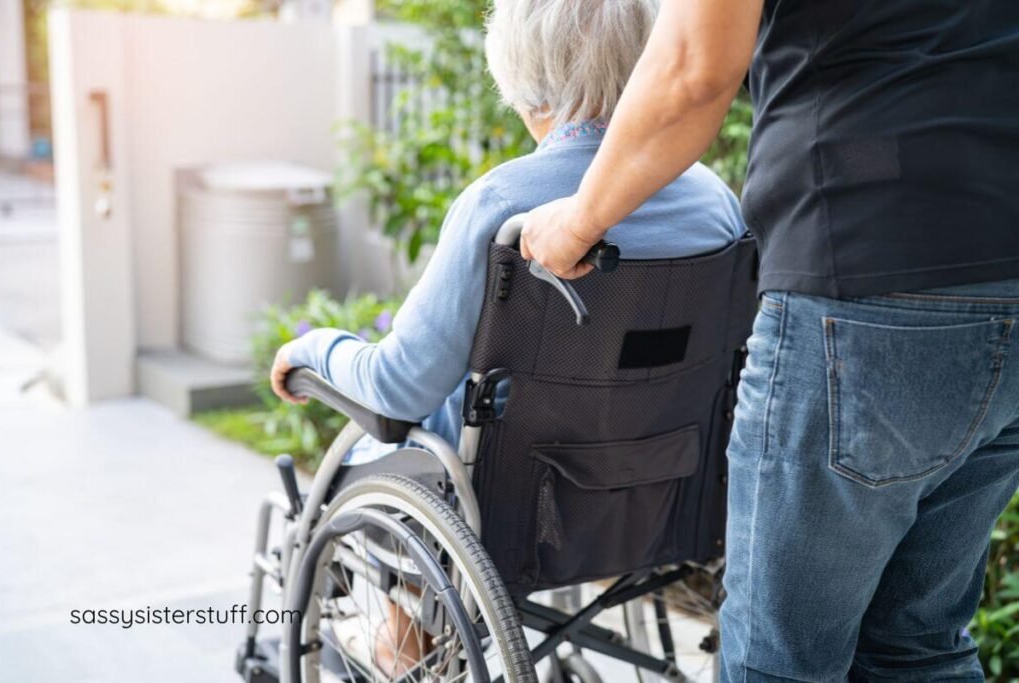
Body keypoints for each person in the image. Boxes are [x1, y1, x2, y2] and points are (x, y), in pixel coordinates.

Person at [520, 0, 1019, 681]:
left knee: (780, 662)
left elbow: (693, 66)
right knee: (917, 644)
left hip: (866, 270)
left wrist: (578, 222)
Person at [270, 0, 745, 674]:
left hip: (506, 513)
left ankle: (399, 646)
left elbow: (397, 386)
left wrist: (311, 349)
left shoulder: (502, 202)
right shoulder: (714, 203)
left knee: (377, 467)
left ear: (528, 79)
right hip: (660, 498)